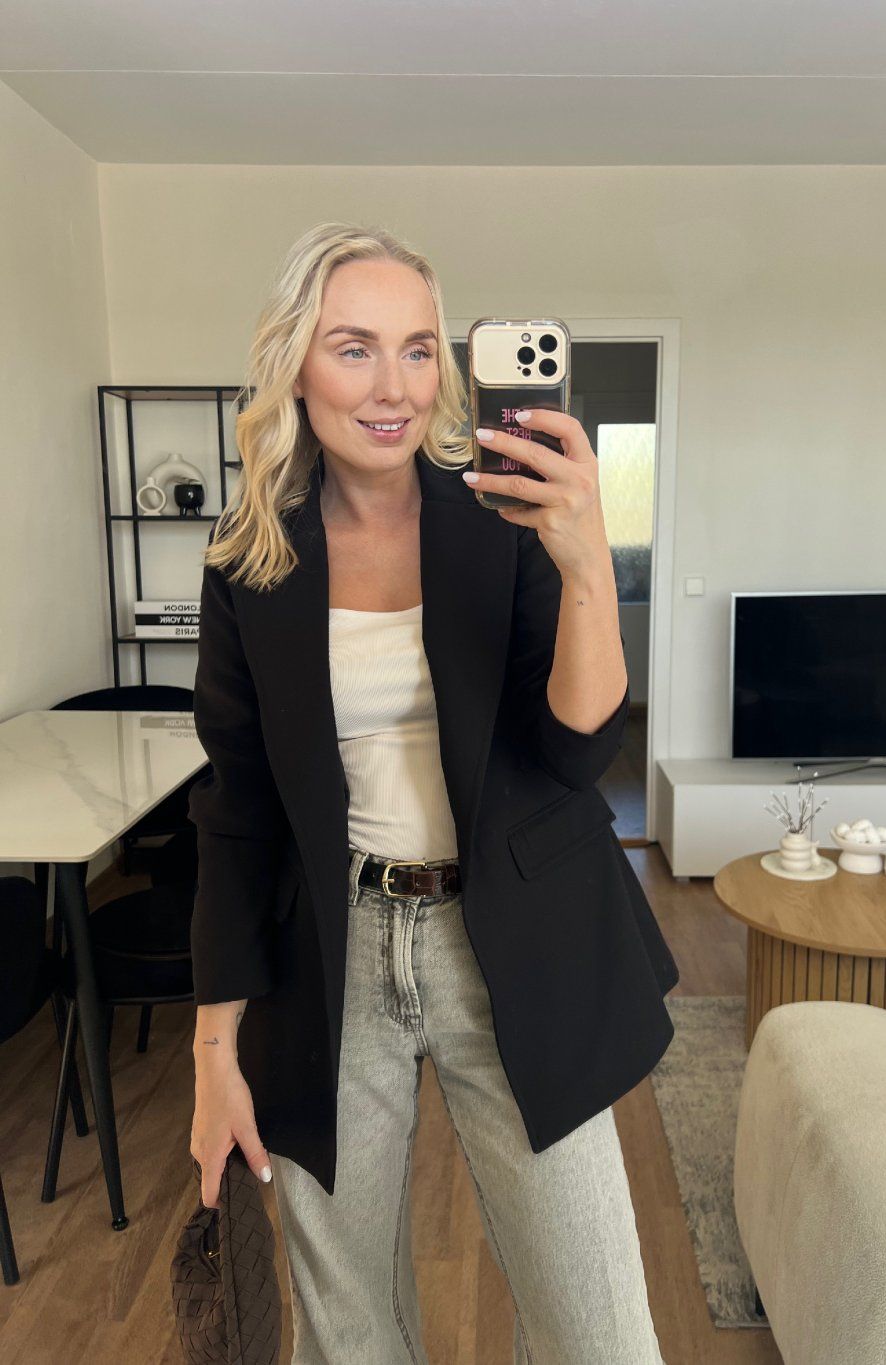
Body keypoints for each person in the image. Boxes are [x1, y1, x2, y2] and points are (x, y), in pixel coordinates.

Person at [188, 221, 677, 1363]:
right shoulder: (251, 557)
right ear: (295, 365)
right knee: (349, 1331)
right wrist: (215, 1054)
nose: (395, 387)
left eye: (418, 350)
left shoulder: (504, 524)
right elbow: (237, 810)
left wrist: (586, 561)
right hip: (333, 955)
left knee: (601, 1331)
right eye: (354, 348)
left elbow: (576, 752)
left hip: (514, 937)